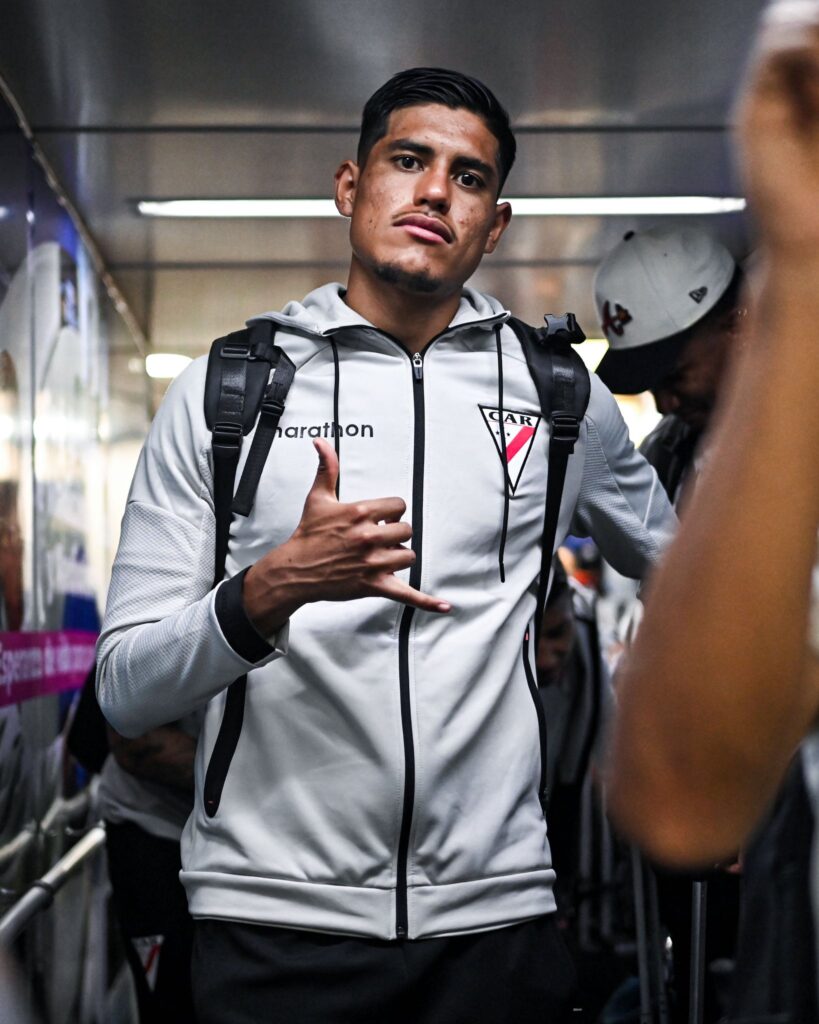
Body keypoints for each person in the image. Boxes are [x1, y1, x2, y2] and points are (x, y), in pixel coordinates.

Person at [97, 67, 676, 1024]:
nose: (435, 191)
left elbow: (697, 579)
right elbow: (125, 690)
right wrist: (269, 590)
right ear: (350, 185)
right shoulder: (228, 392)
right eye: (408, 160)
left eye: (469, 176)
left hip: (496, 921)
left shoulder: (560, 399)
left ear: (494, 225)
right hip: (271, 923)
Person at [605, 0, 819, 1014]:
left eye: (675, 367)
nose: (663, 398)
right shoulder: (672, 460)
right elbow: (676, 785)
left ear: (732, 322)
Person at [594, 225, 745, 507]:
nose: (664, 405)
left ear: (737, 325)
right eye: (652, 386)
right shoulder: (665, 450)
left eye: (675, 376)